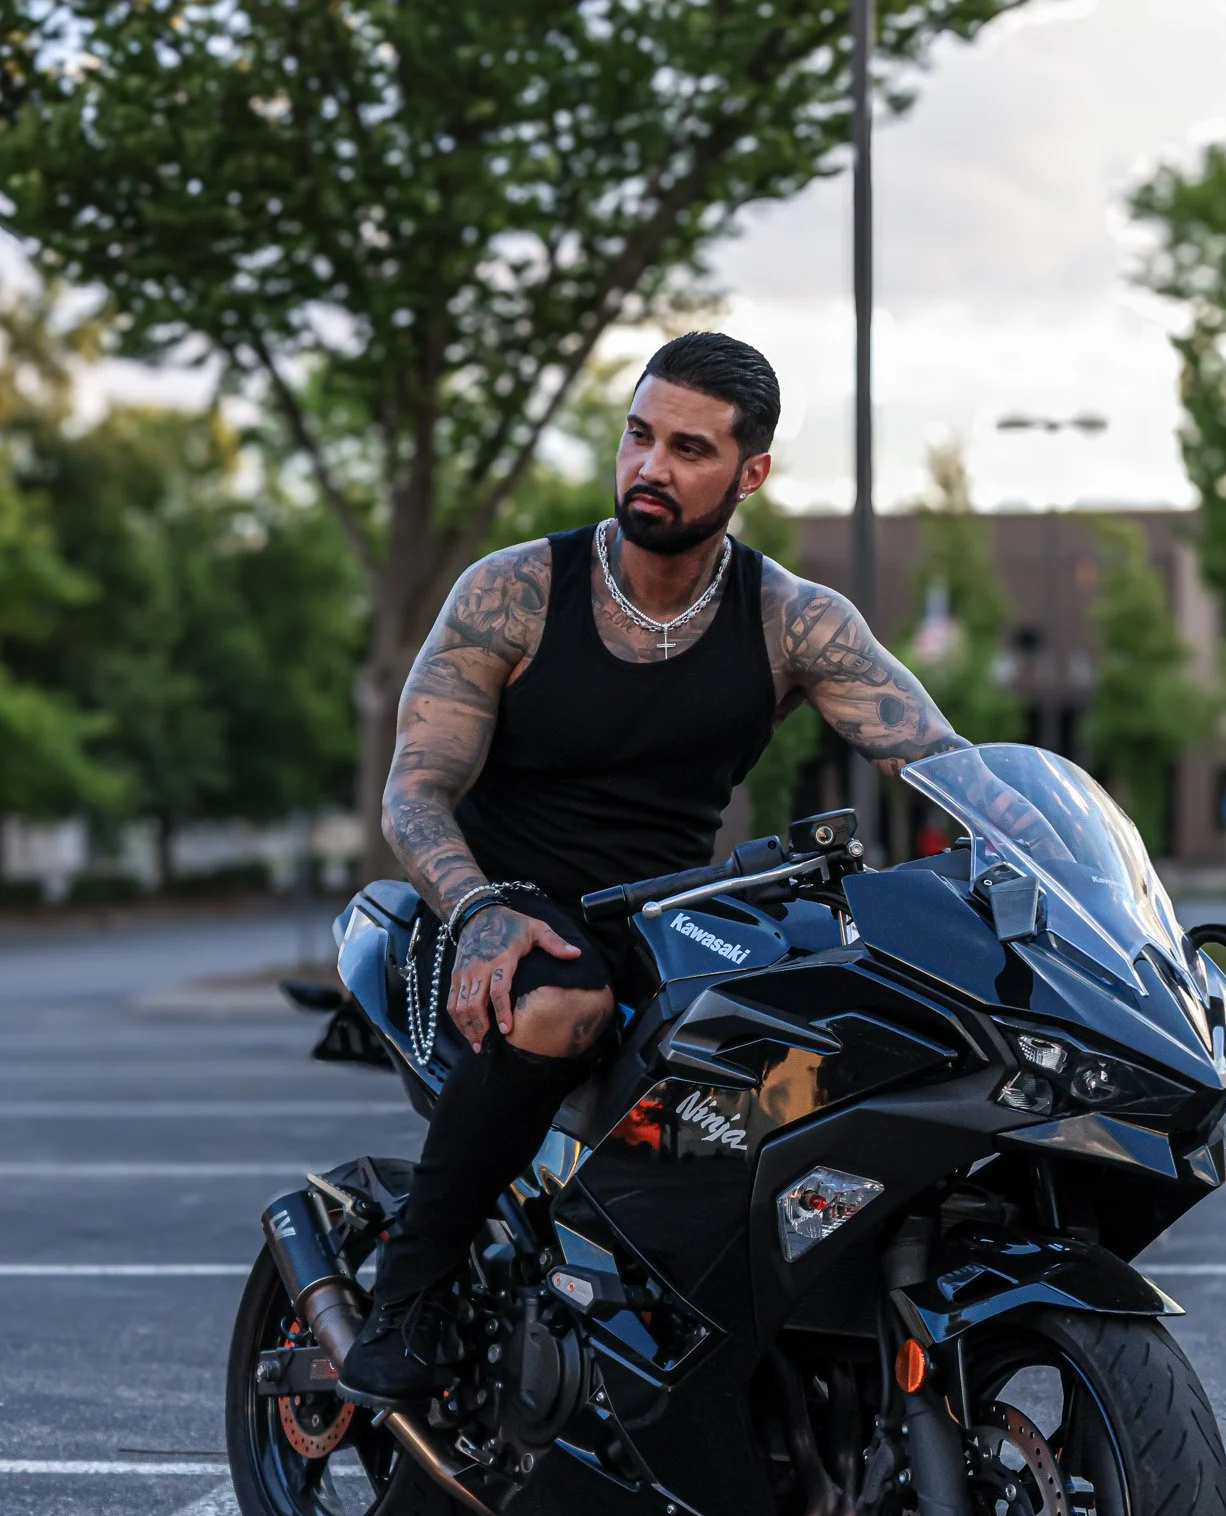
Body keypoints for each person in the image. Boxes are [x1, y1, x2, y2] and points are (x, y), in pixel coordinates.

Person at [339, 331, 969, 1406]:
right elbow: (414, 790)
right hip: (499, 897)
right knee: (564, 1002)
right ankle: (410, 1292)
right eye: (639, 436)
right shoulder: (514, 592)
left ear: (749, 473)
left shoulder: (793, 620)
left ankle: (727, 1333)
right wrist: (479, 908)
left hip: (671, 909)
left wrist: (1070, 878)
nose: (649, 466)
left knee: (818, 1034)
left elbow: (950, 767)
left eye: (688, 449)